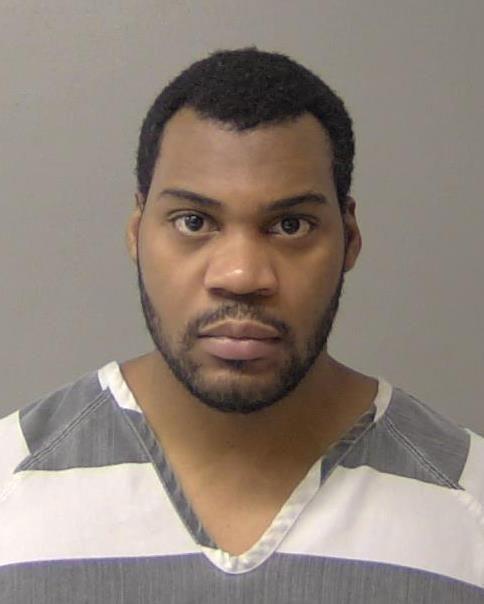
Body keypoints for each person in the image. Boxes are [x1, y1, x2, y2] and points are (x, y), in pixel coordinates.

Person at [0, 47, 483, 604]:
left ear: (349, 239)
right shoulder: (12, 488)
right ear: (136, 231)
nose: (241, 275)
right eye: (194, 221)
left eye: (291, 225)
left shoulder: (470, 506)